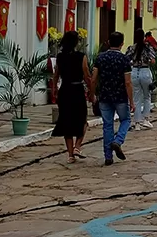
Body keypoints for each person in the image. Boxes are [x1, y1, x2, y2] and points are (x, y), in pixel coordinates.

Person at [91, 31, 135, 166]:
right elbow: (127, 82)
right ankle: (118, 140)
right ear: (122, 44)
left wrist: (92, 94)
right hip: (120, 96)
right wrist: (131, 101)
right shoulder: (124, 59)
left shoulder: (100, 58)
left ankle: (108, 156)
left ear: (108, 42)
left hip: (104, 96)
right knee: (126, 119)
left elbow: (93, 79)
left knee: (107, 125)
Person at [52, 31, 92, 164]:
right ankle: (77, 146)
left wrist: (54, 90)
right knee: (82, 120)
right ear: (76, 43)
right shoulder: (81, 57)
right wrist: (92, 91)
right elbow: (86, 75)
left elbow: (56, 75)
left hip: (65, 90)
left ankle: (70, 155)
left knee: (66, 122)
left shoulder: (60, 57)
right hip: (77, 90)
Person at [126, 29, 156, 131]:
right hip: (145, 72)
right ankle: (146, 119)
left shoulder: (131, 48)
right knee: (147, 96)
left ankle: (137, 122)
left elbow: (126, 59)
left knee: (136, 98)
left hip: (134, 72)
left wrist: (133, 62)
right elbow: (152, 60)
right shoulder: (148, 48)